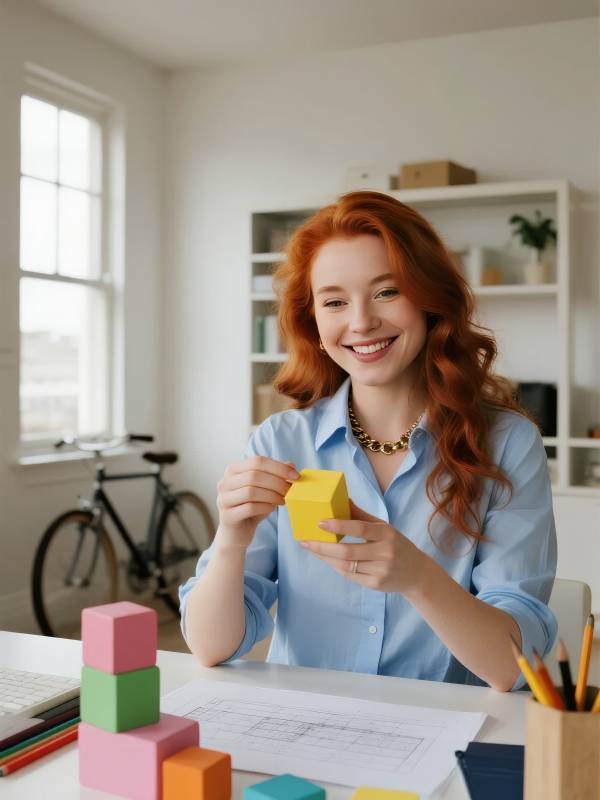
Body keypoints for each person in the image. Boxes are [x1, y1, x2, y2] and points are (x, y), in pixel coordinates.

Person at [180, 191, 557, 692]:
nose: (360, 322)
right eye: (334, 301)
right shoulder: (280, 440)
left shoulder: (509, 444)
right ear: (313, 323)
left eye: (386, 292)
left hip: (450, 737)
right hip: (305, 728)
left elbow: (514, 668)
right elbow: (211, 647)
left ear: (430, 301)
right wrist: (231, 539)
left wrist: (418, 578)